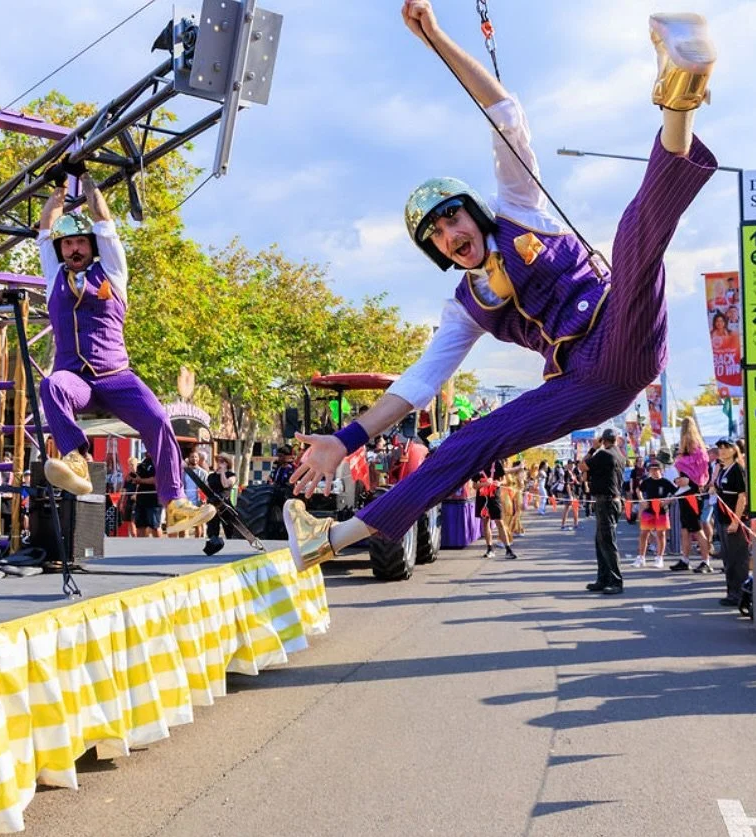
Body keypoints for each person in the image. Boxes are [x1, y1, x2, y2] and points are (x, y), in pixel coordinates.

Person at [280, 2, 718, 570]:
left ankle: (680, 92)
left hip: (621, 323)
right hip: (579, 382)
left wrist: (436, 38)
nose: (450, 234)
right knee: (465, 444)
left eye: (452, 217)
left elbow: (504, 112)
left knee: (635, 238)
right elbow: (419, 382)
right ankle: (331, 540)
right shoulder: (463, 307)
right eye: (436, 234)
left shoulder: (520, 209)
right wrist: (345, 440)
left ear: (474, 212)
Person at [34, 155, 212, 535]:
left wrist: (84, 177)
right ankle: (76, 461)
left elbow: (103, 219)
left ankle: (176, 503)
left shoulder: (112, 270)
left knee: (159, 420)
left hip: (116, 375)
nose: (73, 249)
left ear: (92, 246)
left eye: (80, 242)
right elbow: (44, 227)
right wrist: (59, 188)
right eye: (67, 244)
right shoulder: (54, 277)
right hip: (75, 378)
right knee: (50, 385)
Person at [584, 429, 627, 594]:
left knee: (607, 542)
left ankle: (615, 581)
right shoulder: (620, 455)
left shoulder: (603, 455)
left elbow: (583, 466)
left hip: (606, 501)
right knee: (601, 541)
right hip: (612, 500)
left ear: (603, 440)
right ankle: (603, 578)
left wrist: (593, 449)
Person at [671, 416, 712, 572]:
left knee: (696, 528)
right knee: (685, 529)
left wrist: (689, 482)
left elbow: (702, 477)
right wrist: (679, 480)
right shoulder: (686, 453)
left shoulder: (699, 453)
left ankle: (706, 561)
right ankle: (685, 558)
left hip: (693, 494)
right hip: (685, 493)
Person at [712, 438, 748, 607]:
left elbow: (742, 497)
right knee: (727, 558)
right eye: (720, 448)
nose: (722, 451)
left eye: (726, 448)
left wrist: (736, 521)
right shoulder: (722, 469)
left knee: (737, 558)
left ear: (734, 450)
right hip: (721, 518)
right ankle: (731, 591)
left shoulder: (737, 470)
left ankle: (739, 594)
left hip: (733, 519)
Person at [634, 460, 676, 568]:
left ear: (661, 470)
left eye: (656, 469)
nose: (654, 471)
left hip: (662, 511)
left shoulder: (666, 482)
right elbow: (638, 490)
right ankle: (641, 557)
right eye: (652, 470)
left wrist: (667, 501)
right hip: (648, 511)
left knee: (661, 534)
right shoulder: (646, 481)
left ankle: (659, 558)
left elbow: (676, 493)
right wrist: (642, 501)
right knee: (644, 533)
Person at [475, 459, 517, 559]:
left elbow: (504, 479)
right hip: (482, 498)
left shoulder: (496, 463)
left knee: (500, 522)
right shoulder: (477, 464)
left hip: (495, 497)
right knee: (485, 522)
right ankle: (489, 549)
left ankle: (508, 549)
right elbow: (474, 485)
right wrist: (485, 484)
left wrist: (499, 483)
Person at [204, 453, 237, 555]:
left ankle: (232, 550)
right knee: (212, 528)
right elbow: (208, 489)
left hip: (225, 504)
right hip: (213, 504)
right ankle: (212, 548)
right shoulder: (211, 476)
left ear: (227, 463)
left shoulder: (231, 475)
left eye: (222, 461)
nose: (219, 463)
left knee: (229, 528)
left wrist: (223, 472)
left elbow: (226, 484)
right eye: (218, 461)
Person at [133, 453, 161, 537]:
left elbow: (156, 479)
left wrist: (141, 480)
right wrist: (133, 477)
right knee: (140, 525)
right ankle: (140, 548)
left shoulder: (159, 462)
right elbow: (137, 477)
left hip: (154, 499)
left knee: (154, 525)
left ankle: (161, 547)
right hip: (141, 498)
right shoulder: (143, 462)